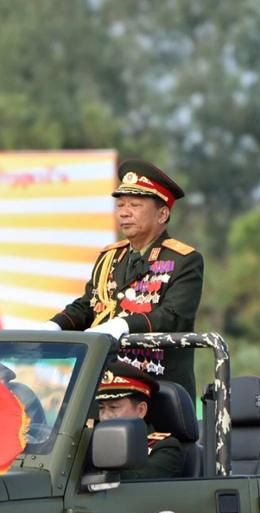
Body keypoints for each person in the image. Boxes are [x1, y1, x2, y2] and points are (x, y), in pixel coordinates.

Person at [46, 158, 204, 400]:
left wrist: (124, 325)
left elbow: (172, 317)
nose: (125, 213)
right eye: (120, 205)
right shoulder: (110, 257)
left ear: (162, 214)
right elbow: (89, 305)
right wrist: (54, 326)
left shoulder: (184, 260)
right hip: (104, 384)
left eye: (135, 205)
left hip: (156, 391)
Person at [95, 360, 183, 481]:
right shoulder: (93, 443)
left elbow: (136, 482)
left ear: (141, 410)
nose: (105, 416)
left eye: (113, 407)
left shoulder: (165, 448)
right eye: (101, 408)